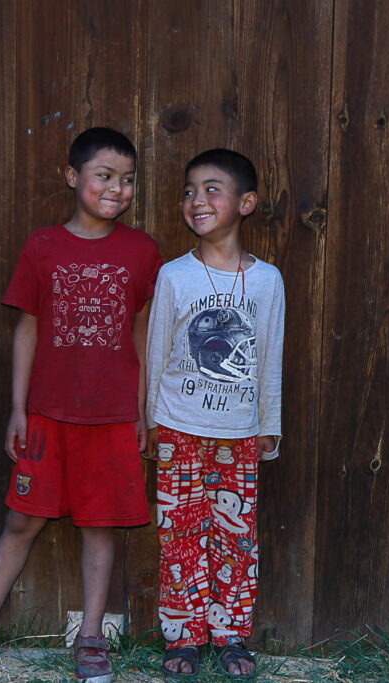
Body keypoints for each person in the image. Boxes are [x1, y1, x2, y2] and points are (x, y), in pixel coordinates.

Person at [0, 127, 163, 683]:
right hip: (46, 415)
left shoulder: (142, 252)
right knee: (21, 521)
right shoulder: (43, 246)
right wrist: (18, 408)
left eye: (128, 180)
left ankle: (91, 638)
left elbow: (144, 334)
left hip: (113, 419)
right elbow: (27, 328)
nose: (117, 189)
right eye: (104, 176)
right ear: (74, 177)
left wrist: (141, 410)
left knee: (102, 528)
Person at [145, 148, 285, 677]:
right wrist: (152, 421)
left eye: (211, 189)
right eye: (188, 190)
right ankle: (183, 638)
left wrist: (268, 425)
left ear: (245, 203)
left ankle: (232, 637)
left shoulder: (267, 281)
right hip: (179, 429)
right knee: (179, 537)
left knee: (236, 538)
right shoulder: (175, 276)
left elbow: (269, 356)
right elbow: (158, 354)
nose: (196, 200)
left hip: (239, 434)